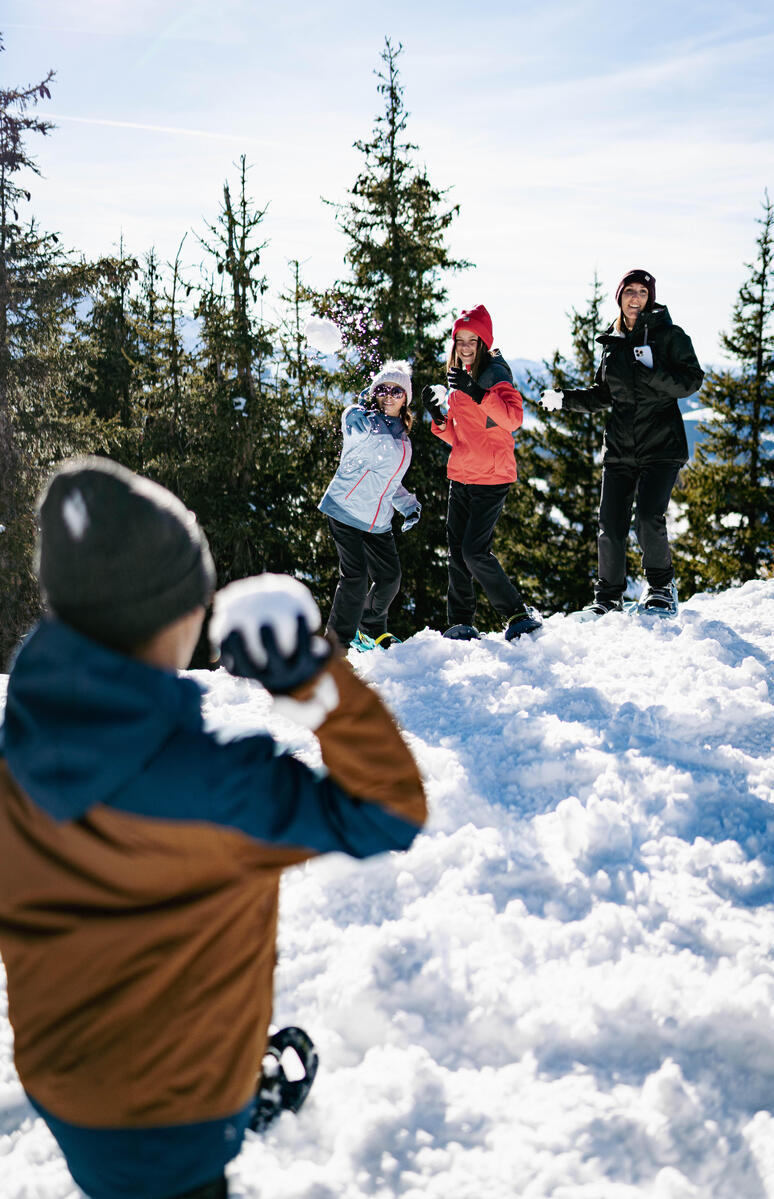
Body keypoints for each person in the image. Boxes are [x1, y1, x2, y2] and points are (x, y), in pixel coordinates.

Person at [0, 457, 427, 1199]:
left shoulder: (17, 761)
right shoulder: (219, 785)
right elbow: (389, 811)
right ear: (173, 616)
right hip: (178, 1117)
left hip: (67, 1090)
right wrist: (309, 677)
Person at [539, 269, 704, 618]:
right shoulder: (612, 342)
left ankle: (661, 587)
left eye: (642, 293)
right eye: (629, 291)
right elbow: (603, 395)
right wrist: (564, 399)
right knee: (610, 525)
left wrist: (652, 371)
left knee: (648, 516)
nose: (635, 299)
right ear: (620, 296)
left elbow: (691, 381)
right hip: (619, 449)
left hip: (662, 446)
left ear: (651, 298)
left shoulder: (670, 336)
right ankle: (609, 596)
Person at [421, 304, 542, 641]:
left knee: (474, 551)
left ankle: (517, 612)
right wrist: (439, 418)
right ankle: (460, 622)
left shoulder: (494, 375)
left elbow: (513, 420)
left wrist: (476, 392)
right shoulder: (458, 375)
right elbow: (460, 435)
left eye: (472, 340)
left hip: (491, 476)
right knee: (457, 551)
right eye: (460, 339)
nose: (465, 346)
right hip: (461, 474)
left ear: (484, 342)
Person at [318, 360, 421, 651]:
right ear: (374, 392)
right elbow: (350, 421)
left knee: (390, 578)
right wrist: (355, 414)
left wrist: (409, 506)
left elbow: (390, 481)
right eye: (383, 389)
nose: (389, 395)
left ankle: (370, 628)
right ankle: (336, 646)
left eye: (396, 391)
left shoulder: (403, 439)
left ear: (406, 399)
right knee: (355, 577)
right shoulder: (363, 420)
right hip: (346, 510)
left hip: (378, 521)